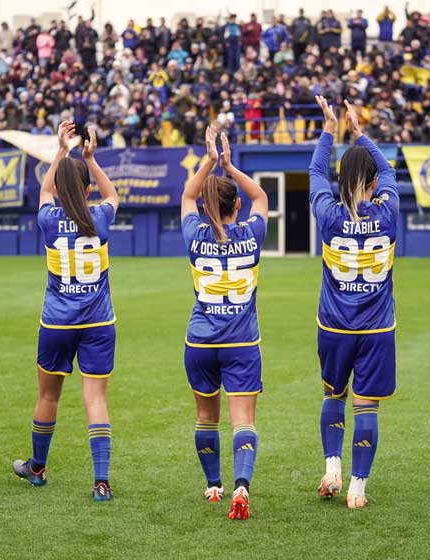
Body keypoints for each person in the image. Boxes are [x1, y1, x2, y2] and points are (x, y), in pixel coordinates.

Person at [12, 122, 121, 502]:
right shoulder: (101, 218)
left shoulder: (48, 219)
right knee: (96, 400)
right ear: (88, 189)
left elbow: (44, 191)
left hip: (57, 322)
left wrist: (61, 150)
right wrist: (91, 159)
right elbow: (113, 194)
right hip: (99, 322)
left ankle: (37, 468)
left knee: (48, 396)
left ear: (59, 187)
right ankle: (101, 481)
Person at [310, 97, 399, 509]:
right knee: (367, 406)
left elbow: (314, 171)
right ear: (373, 182)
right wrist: (359, 132)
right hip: (377, 328)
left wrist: (330, 129)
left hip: (334, 325)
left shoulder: (328, 213)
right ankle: (357, 489)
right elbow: (388, 170)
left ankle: (331, 467)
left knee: (333, 397)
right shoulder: (389, 211)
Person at [180, 125, 267, 519]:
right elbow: (261, 196)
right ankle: (241, 487)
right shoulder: (251, 235)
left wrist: (212, 160)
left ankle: (213, 486)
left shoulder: (195, 236)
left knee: (205, 418)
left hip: (199, 342)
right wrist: (230, 166)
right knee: (242, 420)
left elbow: (187, 194)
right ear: (236, 208)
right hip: (241, 343)